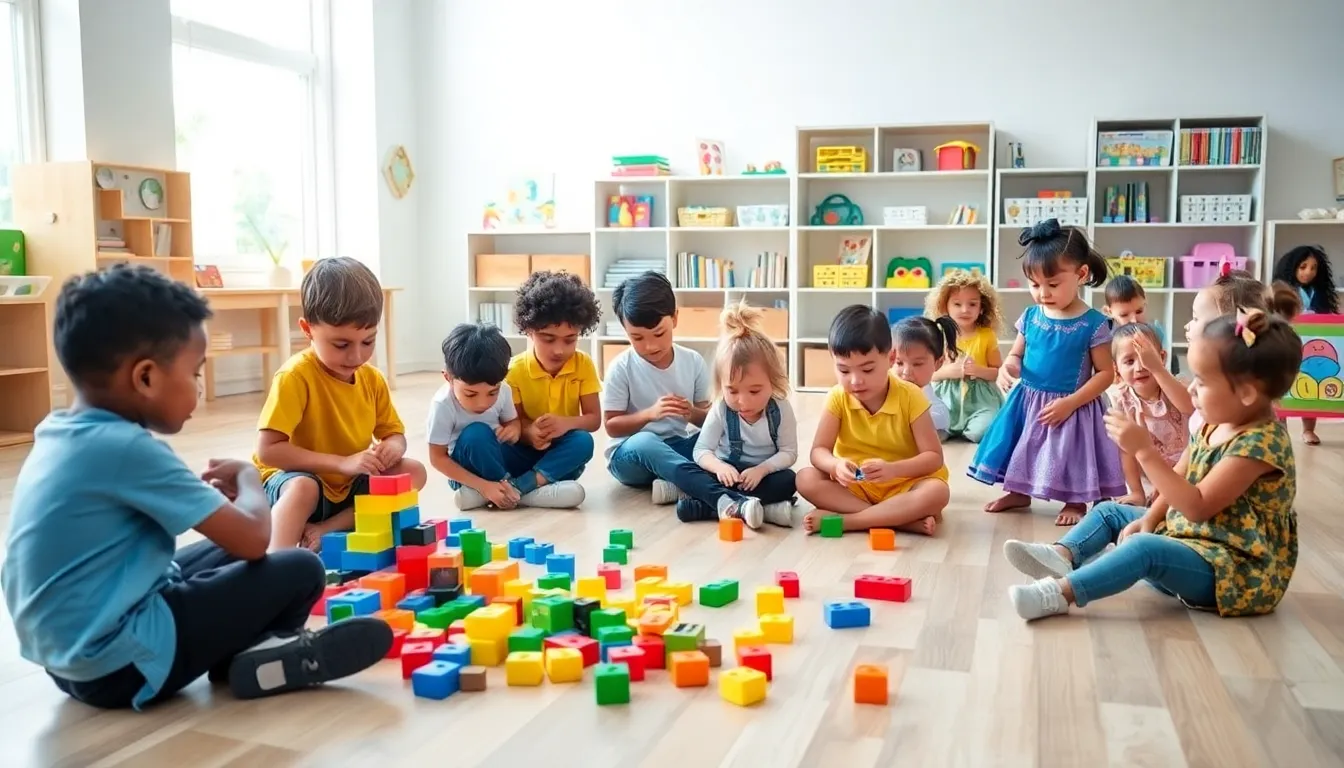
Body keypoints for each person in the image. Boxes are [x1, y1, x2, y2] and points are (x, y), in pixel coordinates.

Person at [1, 265, 391, 711]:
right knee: (299, 567)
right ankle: (268, 654)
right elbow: (252, 539)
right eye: (196, 373)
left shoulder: (61, 431)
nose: (200, 389)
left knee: (232, 556)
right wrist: (249, 479)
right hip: (119, 664)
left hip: (69, 656)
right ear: (146, 377)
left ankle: (238, 646)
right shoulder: (130, 451)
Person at [1001, 309, 1300, 622]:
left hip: (1232, 571)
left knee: (1145, 549)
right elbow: (1177, 479)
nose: (1192, 390)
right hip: (1193, 538)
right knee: (1109, 511)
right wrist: (1151, 519)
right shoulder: (1215, 423)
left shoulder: (1259, 445)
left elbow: (1197, 506)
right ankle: (1062, 555)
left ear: (1247, 393)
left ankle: (1060, 593)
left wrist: (1144, 451)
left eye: (1202, 382)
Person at [254, 257, 426, 550]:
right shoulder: (295, 376)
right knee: (303, 488)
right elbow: (268, 451)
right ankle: (276, 567)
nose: (356, 357)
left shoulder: (371, 379)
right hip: (296, 482)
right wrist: (342, 463)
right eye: (341, 345)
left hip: (348, 485)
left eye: (368, 342)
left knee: (413, 471)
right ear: (307, 329)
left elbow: (393, 433)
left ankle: (325, 529)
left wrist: (393, 447)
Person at [967, 219, 1125, 526]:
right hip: (1028, 398)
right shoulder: (1030, 316)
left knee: (1071, 453)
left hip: (1074, 404)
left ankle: (1076, 500)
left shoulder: (1092, 324)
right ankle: (1018, 491)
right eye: (1034, 284)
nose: (1042, 293)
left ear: (1081, 274)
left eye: (1052, 285)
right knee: (1023, 445)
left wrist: (1071, 403)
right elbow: (1015, 355)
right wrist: (1009, 368)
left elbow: (1106, 374)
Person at [796, 305, 950, 536]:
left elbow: (933, 458)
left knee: (937, 492)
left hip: (903, 485)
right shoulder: (838, 397)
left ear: (890, 358)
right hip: (857, 488)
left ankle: (848, 522)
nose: (856, 381)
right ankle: (899, 520)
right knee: (805, 478)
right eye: (844, 371)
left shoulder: (910, 396)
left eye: (867, 369)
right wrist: (835, 465)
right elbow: (819, 451)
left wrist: (893, 470)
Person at [428, 323, 584, 509]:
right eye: (471, 394)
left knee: (581, 441)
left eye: (492, 393)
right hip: (469, 470)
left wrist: (513, 430)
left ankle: (514, 489)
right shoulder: (443, 405)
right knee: (476, 433)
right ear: (448, 378)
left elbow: (512, 422)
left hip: (501, 460)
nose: (483, 403)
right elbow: (437, 458)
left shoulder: (504, 390)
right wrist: (483, 486)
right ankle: (521, 493)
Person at [685, 303, 800, 528]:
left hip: (762, 476)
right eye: (732, 390)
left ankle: (712, 506)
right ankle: (763, 510)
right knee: (691, 469)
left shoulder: (781, 408)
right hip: (728, 473)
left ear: (773, 382)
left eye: (755, 391)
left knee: (789, 480)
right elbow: (701, 450)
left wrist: (761, 469)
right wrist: (720, 467)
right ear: (721, 386)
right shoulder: (721, 408)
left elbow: (789, 452)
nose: (743, 401)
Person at [602, 272, 711, 504]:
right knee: (646, 441)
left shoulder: (693, 361)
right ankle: (704, 485)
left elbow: (709, 421)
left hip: (676, 448)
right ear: (624, 329)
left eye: (659, 333)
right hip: (631, 458)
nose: (650, 346)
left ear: (675, 318)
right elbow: (612, 426)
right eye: (637, 338)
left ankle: (674, 486)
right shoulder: (621, 367)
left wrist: (690, 412)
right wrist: (649, 414)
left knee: (724, 434)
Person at [495, 270, 604, 503]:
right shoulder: (513, 371)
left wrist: (566, 423)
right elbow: (514, 422)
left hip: (561, 456)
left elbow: (594, 419)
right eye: (548, 338)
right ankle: (538, 491)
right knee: (496, 442)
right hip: (524, 452)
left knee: (583, 442)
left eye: (570, 339)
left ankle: (521, 488)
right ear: (529, 330)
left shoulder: (583, 364)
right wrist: (529, 433)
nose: (559, 350)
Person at [1183, 269, 1300, 437]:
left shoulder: (1248, 431)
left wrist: (1144, 452)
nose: (1188, 325)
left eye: (1196, 318)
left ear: (1229, 324)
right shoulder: (1221, 399)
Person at [1110, 323, 1193, 506]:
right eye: (1129, 362)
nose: (1140, 367)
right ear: (1116, 369)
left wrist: (1157, 369)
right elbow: (1126, 451)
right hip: (1152, 475)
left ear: (1161, 357)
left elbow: (1189, 407)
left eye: (1145, 358)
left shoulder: (1175, 385)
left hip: (1189, 470)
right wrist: (1137, 492)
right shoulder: (1122, 401)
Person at [925, 269, 1003, 442]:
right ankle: (947, 428)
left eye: (972, 304)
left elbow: (996, 372)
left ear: (982, 307)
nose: (965, 310)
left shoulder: (986, 335)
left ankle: (969, 429)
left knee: (981, 432)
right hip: (945, 397)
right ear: (945, 306)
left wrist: (978, 370)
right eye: (957, 304)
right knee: (931, 427)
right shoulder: (939, 334)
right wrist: (948, 371)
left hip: (980, 400)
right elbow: (929, 374)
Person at [1272, 246, 1337, 446]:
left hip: (1312, 347)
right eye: (1303, 267)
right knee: (1281, 387)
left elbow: (1329, 318)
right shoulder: (1282, 292)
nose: (1308, 272)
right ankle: (1280, 428)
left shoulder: (1319, 294)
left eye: (1313, 268)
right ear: (1292, 268)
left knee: (1310, 386)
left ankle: (1308, 429)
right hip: (1286, 346)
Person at [891, 315, 957, 438]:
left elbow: (942, 419)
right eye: (899, 363)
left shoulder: (931, 402)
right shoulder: (886, 388)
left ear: (938, 363)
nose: (906, 372)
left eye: (917, 364)